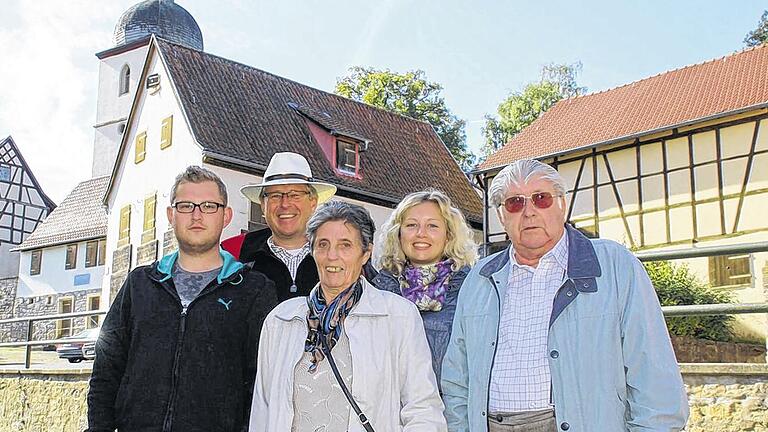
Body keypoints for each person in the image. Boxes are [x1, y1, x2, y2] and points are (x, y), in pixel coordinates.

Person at [441, 159, 689, 432]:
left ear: (563, 204)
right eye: (515, 203)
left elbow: (651, 367)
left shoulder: (613, 264)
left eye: (541, 198)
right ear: (501, 216)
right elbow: (457, 377)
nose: (529, 212)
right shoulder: (479, 278)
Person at [87, 166, 278, 432]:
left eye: (209, 206)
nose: (197, 215)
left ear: (226, 216)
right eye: (186, 206)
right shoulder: (140, 284)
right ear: (171, 215)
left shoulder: (253, 290)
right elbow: (106, 369)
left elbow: (261, 384)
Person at [250, 200, 447, 432]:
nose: (332, 256)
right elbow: (262, 412)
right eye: (323, 245)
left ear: (365, 253)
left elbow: (423, 409)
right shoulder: (280, 320)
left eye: (345, 245)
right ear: (312, 251)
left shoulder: (397, 316)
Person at [373, 189, 477, 388]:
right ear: (399, 233)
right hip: (390, 413)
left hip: (448, 413)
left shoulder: (470, 289)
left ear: (449, 235)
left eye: (432, 226)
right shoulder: (378, 290)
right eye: (412, 225)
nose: (421, 233)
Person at [231, 152, 336, 302]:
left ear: (313, 202)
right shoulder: (235, 253)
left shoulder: (337, 255)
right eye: (275, 195)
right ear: (263, 204)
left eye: (295, 195)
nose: (285, 204)